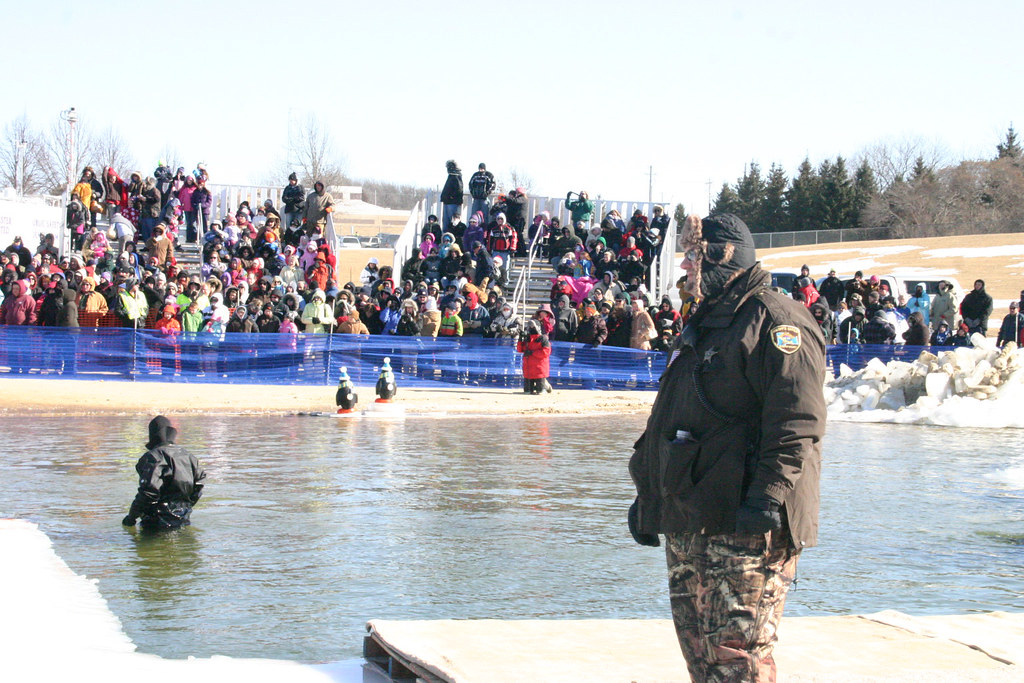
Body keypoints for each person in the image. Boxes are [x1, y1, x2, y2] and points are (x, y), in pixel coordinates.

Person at [627, 213, 826, 683]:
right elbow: (669, 417)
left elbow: (798, 420)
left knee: (737, 658)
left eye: (695, 254)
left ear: (723, 255)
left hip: (745, 523)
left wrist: (768, 497)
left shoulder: (776, 319)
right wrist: (648, 494)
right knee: (700, 656)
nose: (687, 265)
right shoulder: (707, 322)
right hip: (691, 514)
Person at [122, 416, 206, 531]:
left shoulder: (153, 456)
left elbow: (148, 492)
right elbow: (199, 486)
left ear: (152, 435)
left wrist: (131, 517)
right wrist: (184, 509)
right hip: (183, 520)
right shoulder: (189, 456)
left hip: (156, 524)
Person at [517, 319, 552, 394]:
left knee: (540, 391)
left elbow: (546, 352)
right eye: (530, 327)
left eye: (533, 326)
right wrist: (520, 339)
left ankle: (545, 386)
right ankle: (539, 387)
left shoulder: (543, 339)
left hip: (539, 368)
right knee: (527, 391)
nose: (531, 328)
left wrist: (532, 353)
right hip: (528, 369)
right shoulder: (527, 338)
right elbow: (520, 349)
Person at [440, 160, 463, 227]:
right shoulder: (451, 176)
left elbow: (459, 189)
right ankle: (445, 236)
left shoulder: (456, 176)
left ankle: (450, 235)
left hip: (452, 202)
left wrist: (451, 197)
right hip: (447, 202)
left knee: (451, 222)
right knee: (446, 221)